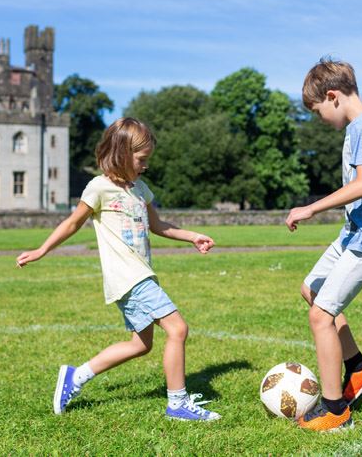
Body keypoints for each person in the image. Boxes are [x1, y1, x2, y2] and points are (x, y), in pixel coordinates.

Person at [16, 117, 220, 421]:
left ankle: (76, 376)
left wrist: (192, 236)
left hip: (140, 274)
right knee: (178, 329)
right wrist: (41, 250)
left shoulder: (141, 189)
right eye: (141, 159)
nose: (145, 166)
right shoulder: (99, 188)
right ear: (122, 153)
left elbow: (158, 225)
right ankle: (177, 403)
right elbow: (73, 223)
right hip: (129, 278)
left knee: (141, 344)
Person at [285, 58, 362, 432]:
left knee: (320, 315)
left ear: (332, 96)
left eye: (319, 112)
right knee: (312, 290)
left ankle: (335, 410)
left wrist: (311, 208)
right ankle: (358, 366)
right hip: (355, 233)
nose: (321, 121)